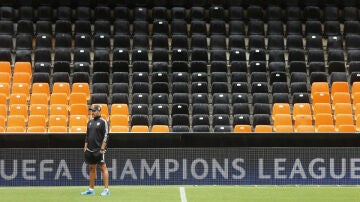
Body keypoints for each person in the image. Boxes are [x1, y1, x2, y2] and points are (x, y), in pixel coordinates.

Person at [81, 105, 110, 196]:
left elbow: (106, 135)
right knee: (92, 168)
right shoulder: (89, 122)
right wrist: (85, 147)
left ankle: (106, 190)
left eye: (94, 111)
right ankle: (91, 189)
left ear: (99, 111)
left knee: (103, 167)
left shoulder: (103, 122)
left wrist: (102, 148)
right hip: (90, 150)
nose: (92, 112)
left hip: (99, 150)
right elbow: (87, 135)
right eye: (91, 111)